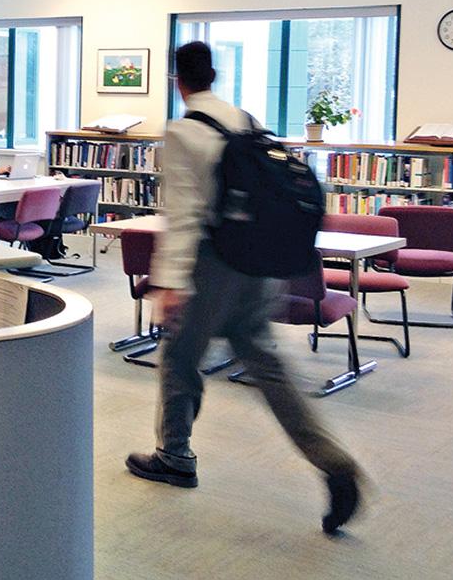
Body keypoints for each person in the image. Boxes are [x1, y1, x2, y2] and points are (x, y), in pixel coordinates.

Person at [125, 41, 362, 534]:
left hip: (215, 263)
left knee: (177, 356)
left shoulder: (182, 130)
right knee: (267, 364)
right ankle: (332, 459)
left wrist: (169, 284)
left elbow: (185, 214)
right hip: (262, 262)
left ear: (178, 81)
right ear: (213, 75)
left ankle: (174, 455)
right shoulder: (245, 120)